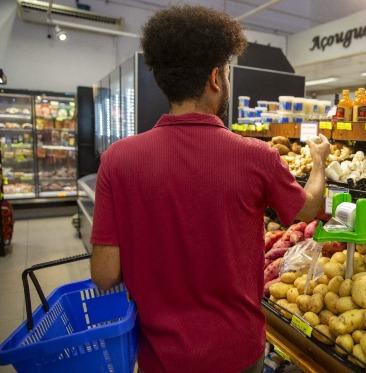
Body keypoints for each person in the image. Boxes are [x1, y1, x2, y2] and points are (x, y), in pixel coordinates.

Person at [89, 5, 330, 373]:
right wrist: (318, 161)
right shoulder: (256, 157)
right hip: (237, 351)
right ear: (216, 78)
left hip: (159, 357)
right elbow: (310, 209)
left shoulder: (118, 160)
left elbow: (105, 275)